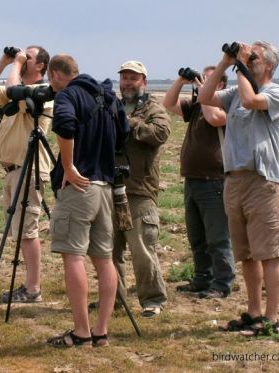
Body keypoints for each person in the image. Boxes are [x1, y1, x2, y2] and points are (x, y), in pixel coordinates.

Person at [199, 41, 279, 336]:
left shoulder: (276, 92)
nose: (251, 60)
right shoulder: (236, 91)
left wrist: (241, 66)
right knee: (246, 253)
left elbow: (251, 102)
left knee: (269, 252)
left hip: (262, 180)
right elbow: (204, 96)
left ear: (270, 66)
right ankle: (253, 311)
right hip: (234, 179)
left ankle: (272, 317)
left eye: (256, 57)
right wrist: (225, 63)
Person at [46, 54, 130, 347]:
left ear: (56, 74)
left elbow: (66, 124)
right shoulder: (107, 97)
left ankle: (81, 332)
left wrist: (68, 166)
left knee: (73, 257)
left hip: (80, 187)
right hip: (106, 188)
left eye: (50, 79)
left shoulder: (68, 95)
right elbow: (124, 133)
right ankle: (101, 331)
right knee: (104, 260)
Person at [0, 45, 52, 303]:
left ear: (41, 66)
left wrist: (16, 64)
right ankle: (30, 286)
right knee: (20, 232)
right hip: (13, 170)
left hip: (29, 169)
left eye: (28, 58)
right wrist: (4, 60)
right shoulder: (17, 89)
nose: (22, 60)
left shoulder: (40, 92)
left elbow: (11, 90)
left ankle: (33, 289)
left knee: (28, 232)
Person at [163, 67, 235, 299]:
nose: (201, 81)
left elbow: (215, 120)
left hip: (214, 180)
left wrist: (205, 91)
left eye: (210, 77)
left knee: (217, 237)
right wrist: (181, 81)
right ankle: (202, 278)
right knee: (197, 237)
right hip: (193, 179)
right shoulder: (197, 106)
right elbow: (168, 103)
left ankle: (222, 283)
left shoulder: (227, 107)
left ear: (220, 85)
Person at [111, 61, 170, 317]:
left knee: (142, 249)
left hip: (139, 191)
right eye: (124, 78)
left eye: (133, 78)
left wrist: (128, 123)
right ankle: (114, 298)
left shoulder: (153, 108)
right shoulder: (112, 106)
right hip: (111, 187)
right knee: (109, 250)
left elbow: (160, 133)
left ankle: (153, 299)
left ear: (143, 81)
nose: (127, 83)